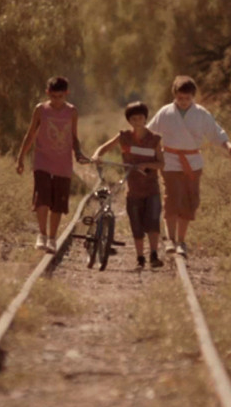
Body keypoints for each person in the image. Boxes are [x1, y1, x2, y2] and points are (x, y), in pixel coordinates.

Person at [147, 75, 231, 258]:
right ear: (174, 95)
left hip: (193, 162)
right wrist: (142, 151)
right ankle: (170, 239)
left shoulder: (201, 113)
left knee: (189, 200)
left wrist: (227, 145)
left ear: (193, 97)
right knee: (172, 198)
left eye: (187, 98)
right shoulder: (165, 112)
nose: (183, 102)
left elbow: (215, 131)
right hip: (171, 160)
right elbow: (150, 133)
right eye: (180, 98)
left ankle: (181, 241)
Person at [16, 76, 89, 253]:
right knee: (42, 199)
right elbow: (30, 134)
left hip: (63, 164)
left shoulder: (72, 112)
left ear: (66, 94)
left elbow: (73, 136)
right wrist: (20, 158)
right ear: (47, 93)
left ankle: (52, 238)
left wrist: (78, 153)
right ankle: (42, 235)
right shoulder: (41, 110)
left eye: (60, 97)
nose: (56, 101)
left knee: (57, 204)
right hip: (42, 161)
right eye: (53, 97)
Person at [90, 101, 166, 269]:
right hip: (133, 190)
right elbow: (105, 147)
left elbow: (161, 163)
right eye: (133, 118)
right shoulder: (124, 136)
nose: (137, 121)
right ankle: (140, 258)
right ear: (129, 120)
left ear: (146, 118)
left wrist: (147, 166)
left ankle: (153, 255)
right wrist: (97, 155)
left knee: (153, 222)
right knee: (136, 224)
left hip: (151, 188)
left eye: (140, 117)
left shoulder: (154, 139)